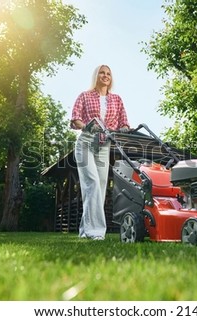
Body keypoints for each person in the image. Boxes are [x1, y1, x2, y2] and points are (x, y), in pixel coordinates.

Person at [70, 65, 130, 240]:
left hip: (104, 146)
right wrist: (87, 126)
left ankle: (84, 230)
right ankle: (95, 232)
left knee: (99, 188)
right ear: (96, 76)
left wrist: (125, 129)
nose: (105, 76)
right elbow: (75, 119)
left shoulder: (117, 99)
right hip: (86, 143)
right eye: (102, 73)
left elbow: (123, 121)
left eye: (108, 73)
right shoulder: (85, 95)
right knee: (93, 184)